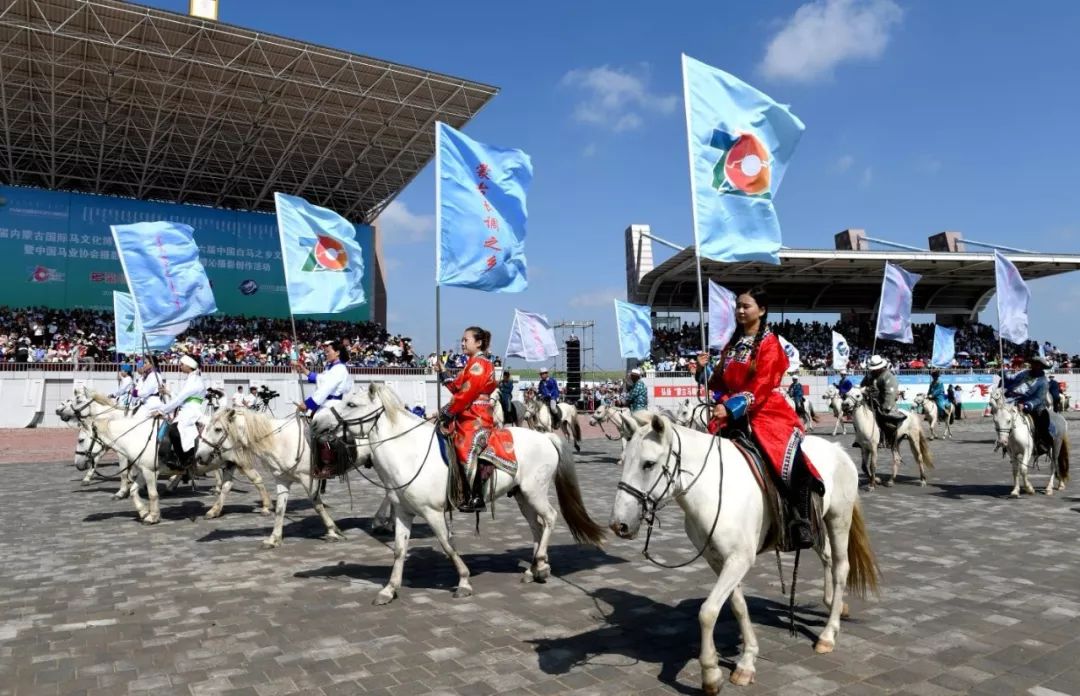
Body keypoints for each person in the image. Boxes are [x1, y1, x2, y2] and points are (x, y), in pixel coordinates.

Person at [706, 287, 824, 550]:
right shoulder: (732, 344)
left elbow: (761, 385)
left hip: (765, 411)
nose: (740, 310)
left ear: (761, 310)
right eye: (738, 306)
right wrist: (703, 371)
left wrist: (732, 407)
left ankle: (801, 519)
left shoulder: (770, 343)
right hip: (729, 411)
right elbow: (717, 382)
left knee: (787, 462)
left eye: (746, 306)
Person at [439, 326, 498, 512]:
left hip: (477, 416)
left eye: (466, 340)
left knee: (465, 445)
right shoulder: (471, 364)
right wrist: (443, 372)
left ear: (478, 343)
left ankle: (476, 495)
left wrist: (448, 410)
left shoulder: (480, 364)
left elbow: (466, 393)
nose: (463, 343)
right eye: (462, 340)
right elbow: (458, 387)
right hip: (467, 412)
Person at [150, 354, 206, 469]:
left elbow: (180, 399)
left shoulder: (194, 380)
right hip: (187, 409)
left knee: (174, 430)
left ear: (189, 366)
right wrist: (168, 392)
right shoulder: (193, 378)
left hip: (191, 411)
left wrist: (161, 410)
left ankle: (184, 460)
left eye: (182, 364)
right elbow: (182, 397)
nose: (180, 366)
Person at [1004, 354, 1054, 455]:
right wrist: (1002, 372)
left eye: (1037, 364)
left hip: (1033, 406)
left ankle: (1041, 443)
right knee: (1002, 417)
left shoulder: (1043, 382)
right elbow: (1012, 379)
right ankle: (1004, 439)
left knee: (1041, 423)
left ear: (1041, 366)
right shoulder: (1024, 373)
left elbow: (1039, 399)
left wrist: (1027, 405)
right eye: (1033, 363)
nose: (1034, 366)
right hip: (1013, 400)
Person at [294, 340, 352, 414]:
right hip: (326, 405)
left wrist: (308, 403)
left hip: (331, 407)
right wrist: (304, 370)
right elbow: (320, 378)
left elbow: (326, 388)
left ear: (337, 353)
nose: (326, 354)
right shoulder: (332, 368)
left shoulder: (339, 369)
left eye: (328, 352)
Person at [860, 355, 906, 446]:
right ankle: (859, 438)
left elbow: (890, 392)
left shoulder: (888, 376)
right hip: (870, 401)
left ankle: (890, 438)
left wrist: (885, 406)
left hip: (883, 401)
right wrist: (865, 389)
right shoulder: (869, 375)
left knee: (884, 419)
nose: (875, 370)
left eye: (876, 368)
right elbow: (862, 385)